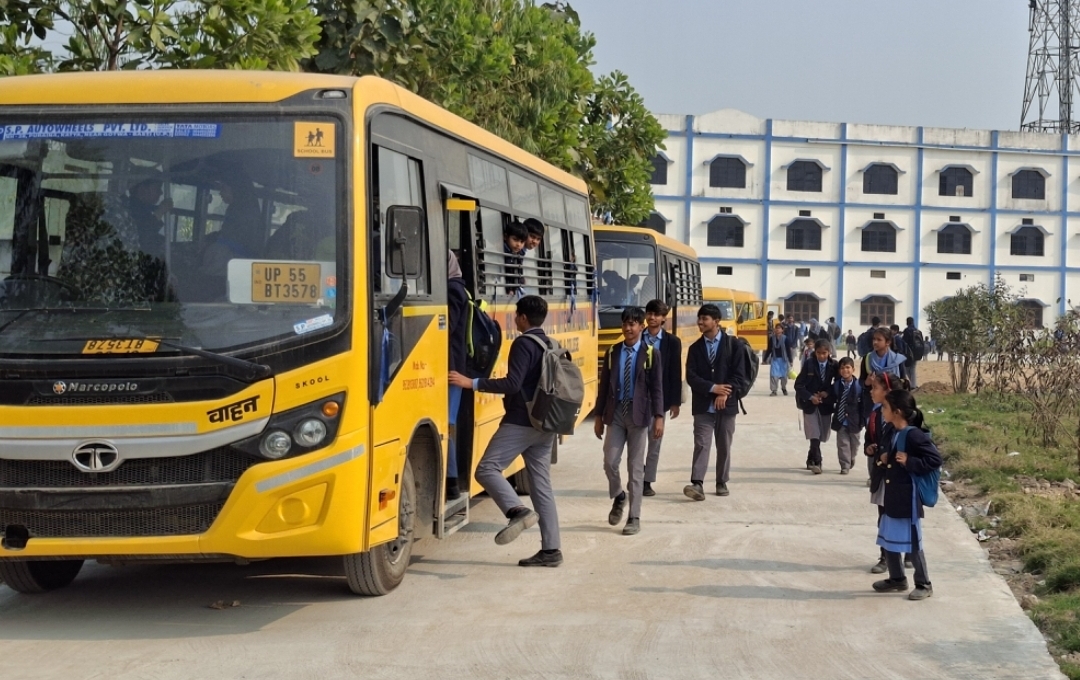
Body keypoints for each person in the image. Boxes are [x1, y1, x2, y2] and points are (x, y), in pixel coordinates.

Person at [448, 295, 562, 567]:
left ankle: (517, 510)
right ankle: (552, 550)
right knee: (541, 486)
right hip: (546, 423)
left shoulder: (523, 343)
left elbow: (512, 384)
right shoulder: (551, 343)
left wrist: (470, 382)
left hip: (521, 421)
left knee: (486, 469)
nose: (515, 318)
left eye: (516, 314)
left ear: (522, 318)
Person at [594, 307, 665, 536]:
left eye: (633, 324)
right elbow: (603, 386)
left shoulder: (651, 353)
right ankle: (619, 496)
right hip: (616, 414)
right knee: (609, 461)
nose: (628, 328)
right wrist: (598, 416)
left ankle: (634, 516)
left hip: (639, 415)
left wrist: (659, 417)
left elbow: (657, 388)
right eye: (625, 323)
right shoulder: (613, 352)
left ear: (641, 327)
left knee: (635, 469)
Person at [873, 389, 941, 601]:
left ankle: (924, 583)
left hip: (907, 498)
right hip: (893, 495)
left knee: (912, 542)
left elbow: (934, 459)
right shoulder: (894, 431)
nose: (882, 410)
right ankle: (897, 579)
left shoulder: (914, 435)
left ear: (898, 411)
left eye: (885, 407)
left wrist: (909, 461)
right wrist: (885, 458)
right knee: (889, 538)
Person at [684, 303, 749, 500]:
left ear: (716, 322)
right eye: (700, 319)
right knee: (702, 443)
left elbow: (739, 375)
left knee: (724, 444)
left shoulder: (734, 345)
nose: (700, 322)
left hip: (726, 406)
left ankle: (721, 481)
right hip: (703, 405)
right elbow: (691, 376)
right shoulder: (695, 348)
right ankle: (697, 483)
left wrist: (725, 393)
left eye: (705, 319)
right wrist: (713, 388)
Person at [641, 299, 683, 497]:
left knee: (654, 442)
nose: (652, 317)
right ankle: (638, 473)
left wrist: (675, 401)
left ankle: (647, 480)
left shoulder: (672, 343)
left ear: (663, 318)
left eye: (656, 314)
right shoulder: (636, 337)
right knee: (636, 442)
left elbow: (675, 372)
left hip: (659, 401)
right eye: (649, 313)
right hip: (635, 401)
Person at [794, 338, 838, 474]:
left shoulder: (834, 366)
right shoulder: (809, 364)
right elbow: (798, 385)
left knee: (822, 434)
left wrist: (827, 392)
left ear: (829, 352)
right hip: (810, 405)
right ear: (815, 352)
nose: (821, 356)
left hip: (825, 405)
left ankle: (810, 458)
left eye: (824, 353)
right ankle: (818, 461)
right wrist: (810, 396)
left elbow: (838, 384)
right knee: (814, 432)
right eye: (819, 353)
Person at [446, 251, 468, 501]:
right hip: (451, 367)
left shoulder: (453, 290)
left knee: (447, 423)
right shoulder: (455, 288)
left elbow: (446, 327)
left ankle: (451, 482)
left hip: (452, 368)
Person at [831, 357, 862, 475]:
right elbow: (832, 397)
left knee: (855, 444)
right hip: (841, 420)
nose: (845, 370)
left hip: (855, 420)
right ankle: (844, 465)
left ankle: (851, 457)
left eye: (848, 367)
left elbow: (863, 405)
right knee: (843, 444)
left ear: (853, 369)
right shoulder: (837, 385)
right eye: (842, 368)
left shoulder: (859, 385)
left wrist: (863, 421)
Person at [128, 176, 171, 259]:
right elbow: (142, 236)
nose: (161, 192)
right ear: (142, 189)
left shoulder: (143, 208)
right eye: (157, 188)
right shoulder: (131, 209)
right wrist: (159, 212)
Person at [764, 322, 793, 396]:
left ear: (782, 330)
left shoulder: (786, 339)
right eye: (776, 328)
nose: (777, 330)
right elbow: (769, 349)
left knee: (784, 376)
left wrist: (790, 360)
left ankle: (783, 388)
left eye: (779, 328)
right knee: (773, 375)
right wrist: (765, 358)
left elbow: (788, 350)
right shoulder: (772, 338)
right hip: (775, 359)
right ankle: (774, 390)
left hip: (784, 360)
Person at [502, 220, 527, 295]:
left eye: (522, 242)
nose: (519, 244)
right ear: (506, 237)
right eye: (515, 240)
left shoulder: (519, 254)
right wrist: (509, 289)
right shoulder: (503, 252)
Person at [901, 316, 922, 389]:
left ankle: (912, 384)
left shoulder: (907, 331)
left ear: (907, 322)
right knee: (913, 368)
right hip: (916, 353)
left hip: (909, 353)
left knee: (906, 368)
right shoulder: (917, 331)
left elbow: (904, 341)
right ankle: (914, 384)